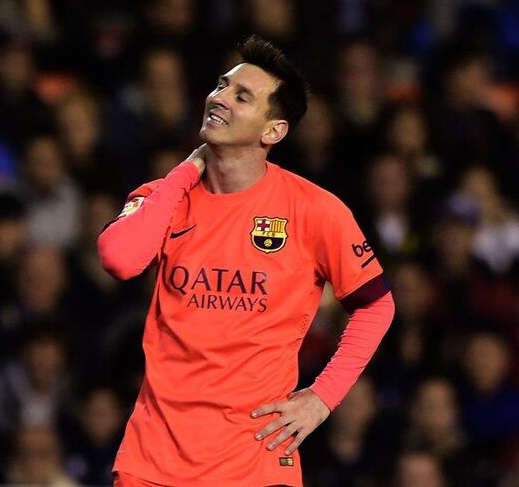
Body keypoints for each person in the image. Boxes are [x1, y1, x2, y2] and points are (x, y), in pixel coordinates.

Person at [98, 35, 395, 486]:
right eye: (220, 86)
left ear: (272, 130)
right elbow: (120, 259)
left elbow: (377, 305)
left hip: (256, 462)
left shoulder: (315, 210)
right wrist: (186, 170)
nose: (218, 99)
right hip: (153, 461)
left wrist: (322, 397)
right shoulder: (166, 196)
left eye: (241, 96)